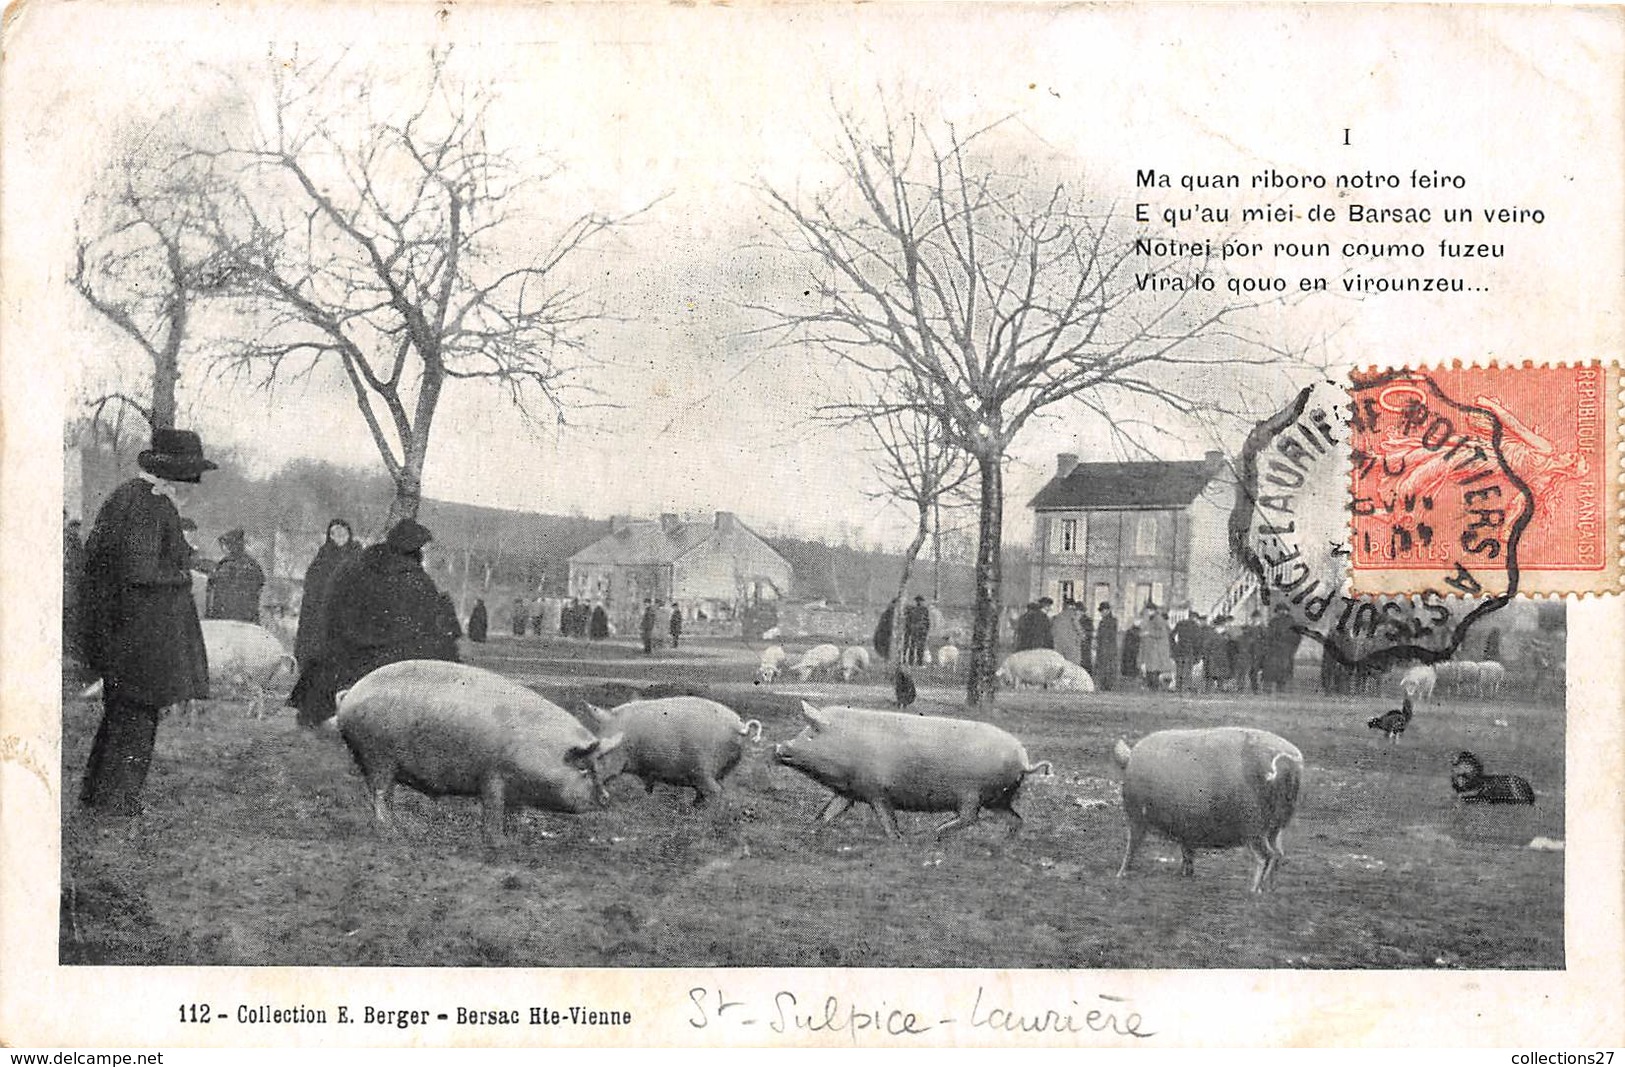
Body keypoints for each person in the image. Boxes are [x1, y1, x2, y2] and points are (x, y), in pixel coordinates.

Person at [76, 429, 216, 815]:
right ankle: (118, 802)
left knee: (121, 714)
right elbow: (140, 569)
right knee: (137, 718)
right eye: (188, 478)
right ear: (172, 478)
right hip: (141, 634)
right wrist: (182, 572)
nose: (190, 488)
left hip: (121, 630)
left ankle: (98, 795)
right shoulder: (150, 505)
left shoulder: (129, 497)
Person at [289, 519, 461, 728]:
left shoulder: (355, 564)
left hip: (343, 658)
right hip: (387, 664)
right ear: (414, 550)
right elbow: (431, 628)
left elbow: (330, 610)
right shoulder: (415, 580)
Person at [293, 519, 361, 673]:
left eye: (342, 533)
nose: (338, 537)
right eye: (334, 533)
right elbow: (312, 585)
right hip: (321, 613)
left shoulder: (356, 557)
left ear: (349, 534)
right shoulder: (323, 556)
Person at [206, 528, 265, 623]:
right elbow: (260, 585)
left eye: (225, 545)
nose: (223, 548)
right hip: (247, 617)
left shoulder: (224, 565)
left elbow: (212, 588)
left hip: (224, 617)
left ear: (231, 545)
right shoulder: (253, 565)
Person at [1263, 603, 1301, 693]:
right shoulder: (1273, 622)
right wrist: (1269, 646)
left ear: (1287, 611)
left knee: (1284, 669)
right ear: (1277, 611)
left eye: (1284, 610)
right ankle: (1269, 688)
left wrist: (1293, 649)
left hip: (1286, 650)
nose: (1282, 612)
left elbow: (1297, 637)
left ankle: (1282, 688)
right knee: (1272, 669)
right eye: (1280, 610)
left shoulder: (1291, 622)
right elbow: (1269, 635)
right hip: (1274, 650)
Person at [1139, 606, 1174, 691]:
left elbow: (1161, 633)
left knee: (1153, 669)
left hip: (1156, 649)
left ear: (1152, 611)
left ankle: (1154, 687)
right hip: (1152, 649)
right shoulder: (1152, 619)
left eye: (1148, 611)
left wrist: (1148, 633)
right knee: (1151, 669)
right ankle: (1152, 687)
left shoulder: (1158, 619)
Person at [1172, 609, 1203, 691]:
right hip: (1189, 650)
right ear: (1195, 618)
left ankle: (1178, 687)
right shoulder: (1196, 627)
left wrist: (1174, 646)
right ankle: (1185, 687)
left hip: (1179, 650)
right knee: (1187, 670)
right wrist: (1197, 655)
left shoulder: (1180, 623)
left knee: (1179, 670)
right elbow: (1198, 642)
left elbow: (1172, 636)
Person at [1203, 615, 1235, 692]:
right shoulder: (1226, 634)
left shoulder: (1211, 633)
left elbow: (1206, 646)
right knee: (1218, 675)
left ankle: (1211, 689)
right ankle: (1218, 688)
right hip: (1221, 657)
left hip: (1215, 657)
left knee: (1213, 674)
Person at [1052, 600, 1085, 667]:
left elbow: (1052, 631)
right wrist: (1082, 636)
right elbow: (1077, 627)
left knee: (1060, 666)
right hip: (1071, 645)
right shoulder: (1072, 615)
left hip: (1058, 645)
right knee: (1073, 666)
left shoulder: (1057, 617)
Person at [1094, 602, 1118, 691]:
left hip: (1107, 649)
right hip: (1105, 648)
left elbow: (1107, 635)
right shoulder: (1105, 621)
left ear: (1107, 610)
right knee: (1104, 667)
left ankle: (1106, 686)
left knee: (1106, 668)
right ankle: (1104, 685)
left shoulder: (1110, 621)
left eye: (1102, 611)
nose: (1101, 613)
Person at [904, 595, 931, 666]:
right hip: (914, 631)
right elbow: (908, 621)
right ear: (916, 601)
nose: (919, 602)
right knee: (912, 646)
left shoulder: (924, 610)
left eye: (921, 601)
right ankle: (911, 662)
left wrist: (926, 631)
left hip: (922, 631)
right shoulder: (912, 609)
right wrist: (908, 631)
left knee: (920, 647)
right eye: (918, 601)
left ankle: (919, 663)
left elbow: (927, 621)